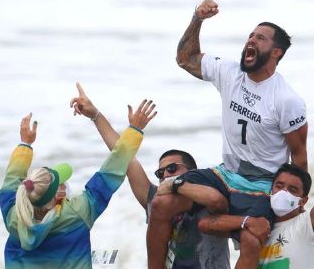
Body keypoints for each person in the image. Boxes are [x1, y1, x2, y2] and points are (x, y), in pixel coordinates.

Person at [148, 0, 309, 268]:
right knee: (161, 204)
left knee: (250, 240)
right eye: (250, 36)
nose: (251, 41)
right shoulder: (230, 72)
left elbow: (299, 157)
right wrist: (197, 19)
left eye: (260, 38)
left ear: (277, 52)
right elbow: (185, 59)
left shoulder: (287, 100)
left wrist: (293, 204)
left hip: (261, 185)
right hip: (225, 174)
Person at [70, 83, 232, 269]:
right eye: (160, 173)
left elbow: (218, 202)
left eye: (172, 169)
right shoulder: (155, 200)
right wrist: (95, 115)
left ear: (192, 172)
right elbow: (125, 160)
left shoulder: (206, 198)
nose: (165, 176)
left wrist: (178, 185)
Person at [0, 99, 154, 268]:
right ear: (57, 196)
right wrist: (134, 131)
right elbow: (110, 172)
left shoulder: (13, 216)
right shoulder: (77, 213)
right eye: (60, 183)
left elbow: (11, 179)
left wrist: (25, 144)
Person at [198, 131, 314, 269]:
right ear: (271, 189)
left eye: (292, 189)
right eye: (279, 186)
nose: (283, 192)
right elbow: (205, 225)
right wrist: (246, 221)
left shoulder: (306, 225)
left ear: (303, 201)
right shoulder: (257, 223)